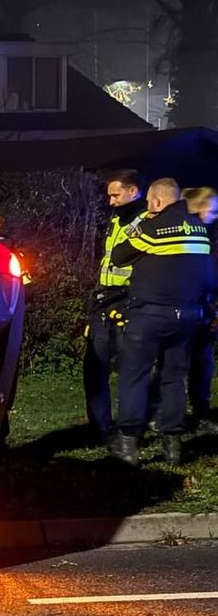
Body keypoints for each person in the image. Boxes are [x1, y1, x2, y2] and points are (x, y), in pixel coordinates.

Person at [110, 178, 213, 466]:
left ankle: (128, 443)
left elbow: (119, 256)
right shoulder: (200, 229)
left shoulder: (152, 228)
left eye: (148, 203)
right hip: (188, 316)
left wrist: (140, 222)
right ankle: (173, 443)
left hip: (150, 315)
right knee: (174, 377)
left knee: (135, 375)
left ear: (156, 202)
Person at [83, 170, 147, 441]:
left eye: (115, 194)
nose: (110, 201)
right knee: (94, 368)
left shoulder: (147, 221)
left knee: (131, 371)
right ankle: (101, 430)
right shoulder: (116, 219)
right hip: (103, 300)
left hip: (129, 302)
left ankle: (130, 430)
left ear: (133, 191)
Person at [184, 186, 218, 433]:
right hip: (185, 311)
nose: (215, 215)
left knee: (202, 365)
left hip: (202, 311)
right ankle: (157, 412)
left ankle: (201, 413)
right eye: (213, 209)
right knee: (174, 366)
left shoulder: (207, 235)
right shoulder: (189, 234)